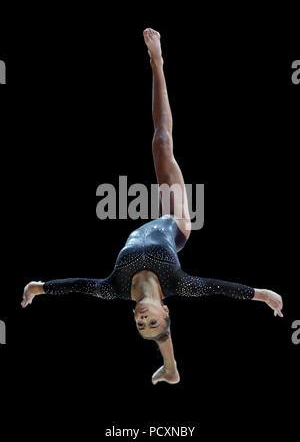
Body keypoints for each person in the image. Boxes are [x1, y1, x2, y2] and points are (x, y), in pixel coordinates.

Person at [21, 28, 283, 385]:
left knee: (156, 147)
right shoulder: (178, 283)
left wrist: (39, 287)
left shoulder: (114, 287)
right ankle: (158, 63)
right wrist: (263, 295)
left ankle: (171, 370)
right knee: (161, 143)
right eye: (153, 322)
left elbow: (77, 285)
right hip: (175, 222)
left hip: (150, 223)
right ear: (165, 309)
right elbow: (220, 287)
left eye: (141, 324)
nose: (144, 319)